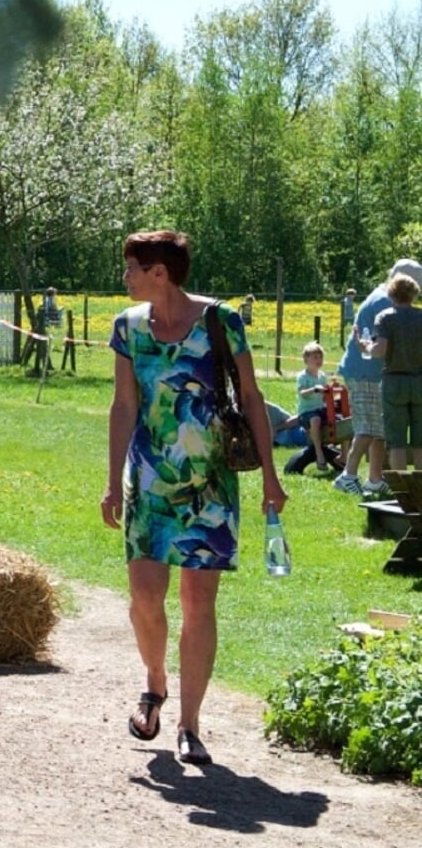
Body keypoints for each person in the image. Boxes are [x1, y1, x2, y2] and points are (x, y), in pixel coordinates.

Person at [103, 230, 287, 767]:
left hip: (210, 484)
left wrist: (272, 480)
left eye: (132, 267)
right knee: (144, 597)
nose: (126, 277)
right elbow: (123, 406)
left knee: (198, 603)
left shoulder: (220, 322)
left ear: (159, 272)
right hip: (150, 481)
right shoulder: (128, 329)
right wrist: (113, 481)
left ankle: (189, 724)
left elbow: (251, 398)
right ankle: (154, 682)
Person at [335, 259, 421, 494]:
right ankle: (348, 476)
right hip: (368, 372)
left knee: (379, 429)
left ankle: (374, 479)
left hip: (371, 371)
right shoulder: (386, 303)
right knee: (368, 427)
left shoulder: (381, 296)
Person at [361, 272, 422, 489]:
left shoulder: (385, 317)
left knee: (396, 440)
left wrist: (366, 346)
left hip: (394, 382)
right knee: (419, 440)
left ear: (392, 293)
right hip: (419, 381)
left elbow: (380, 350)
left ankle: (403, 491)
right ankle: (420, 488)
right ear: (413, 294)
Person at [289, 341, 335, 476]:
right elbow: (302, 393)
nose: (319, 360)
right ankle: (319, 453)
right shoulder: (303, 376)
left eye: (320, 357)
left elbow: (326, 395)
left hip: (321, 410)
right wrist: (314, 389)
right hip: (306, 413)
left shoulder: (322, 376)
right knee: (315, 419)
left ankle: (343, 456)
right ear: (306, 359)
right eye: (315, 357)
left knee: (340, 419)